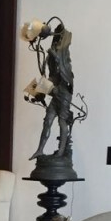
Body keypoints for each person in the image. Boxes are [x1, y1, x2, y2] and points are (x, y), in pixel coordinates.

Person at [30, 25, 75, 159]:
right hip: (55, 95)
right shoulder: (52, 65)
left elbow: (61, 65)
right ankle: (39, 150)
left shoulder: (65, 64)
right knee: (47, 122)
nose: (55, 46)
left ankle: (61, 151)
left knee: (62, 121)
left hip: (64, 95)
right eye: (54, 44)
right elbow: (51, 75)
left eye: (57, 45)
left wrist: (53, 53)